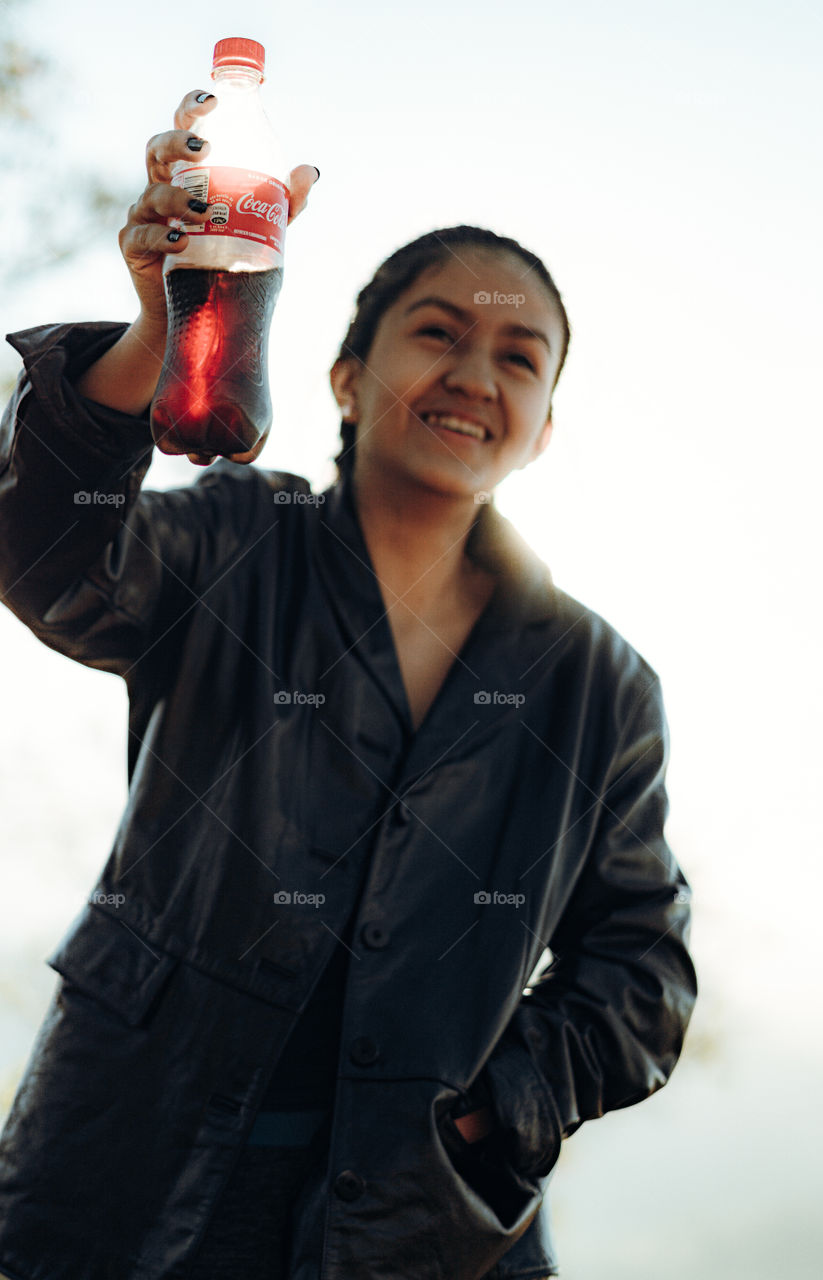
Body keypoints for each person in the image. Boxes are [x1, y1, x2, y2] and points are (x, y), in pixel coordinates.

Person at [0, 91, 697, 1280]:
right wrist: (160, 329)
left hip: (422, 1226)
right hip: (125, 1177)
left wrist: (495, 1107)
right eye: (436, 332)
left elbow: (641, 965)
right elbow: (51, 562)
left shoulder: (597, 680)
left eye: (518, 357)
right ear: (343, 375)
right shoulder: (235, 542)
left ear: (541, 429)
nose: (473, 374)